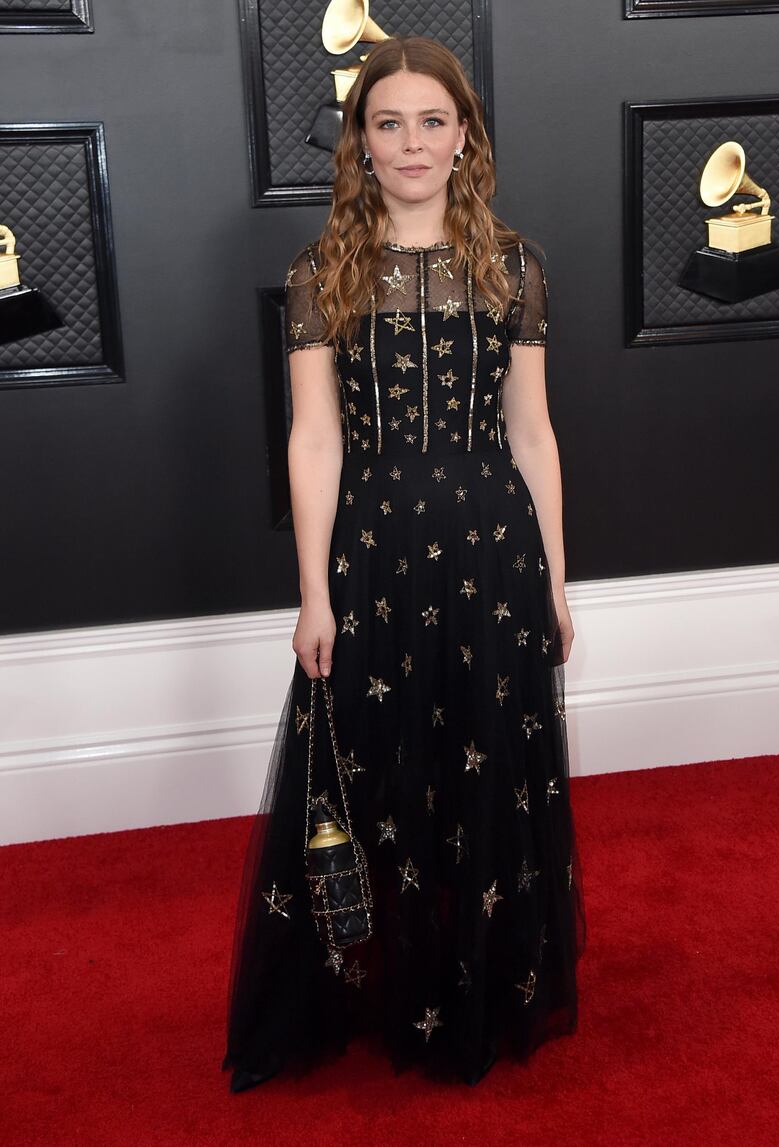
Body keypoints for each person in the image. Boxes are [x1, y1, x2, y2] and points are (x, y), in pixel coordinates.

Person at [222, 33, 586, 1091]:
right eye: (389, 123)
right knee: (380, 772)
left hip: (492, 550)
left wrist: (556, 580)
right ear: (360, 141)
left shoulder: (513, 267)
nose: (412, 142)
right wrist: (310, 594)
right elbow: (313, 442)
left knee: (483, 764)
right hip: (374, 556)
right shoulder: (320, 274)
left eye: (433, 121)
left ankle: (479, 978)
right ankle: (387, 980)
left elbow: (532, 434)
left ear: (463, 136)